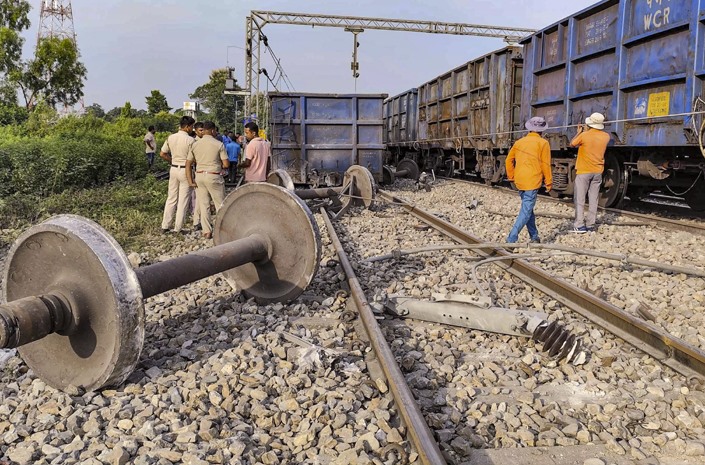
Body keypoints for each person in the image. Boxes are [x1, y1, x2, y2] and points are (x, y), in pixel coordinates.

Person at [505, 116, 553, 244]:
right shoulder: (543, 143)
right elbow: (545, 164)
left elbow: (508, 160)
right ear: (541, 131)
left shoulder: (519, 142)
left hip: (520, 180)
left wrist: (511, 176)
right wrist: (548, 182)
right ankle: (511, 238)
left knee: (528, 209)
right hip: (532, 181)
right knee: (526, 211)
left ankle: (534, 236)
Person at [186, 121, 229, 239]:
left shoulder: (195, 145)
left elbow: (188, 163)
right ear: (213, 130)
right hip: (213, 175)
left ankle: (207, 231)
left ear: (203, 130)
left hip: (199, 176)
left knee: (204, 204)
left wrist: (190, 181)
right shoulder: (218, 144)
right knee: (220, 203)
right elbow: (226, 164)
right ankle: (222, 229)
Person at [570, 112, 610, 233]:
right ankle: (591, 225)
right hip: (597, 171)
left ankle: (579, 225)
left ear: (589, 124)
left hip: (584, 171)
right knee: (593, 199)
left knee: (580, 199)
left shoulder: (584, 136)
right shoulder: (606, 136)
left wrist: (579, 132)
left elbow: (571, 144)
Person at [159, 116, 195, 234]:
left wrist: (172, 161)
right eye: (191, 126)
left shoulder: (171, 137)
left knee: (171, 198)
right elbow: (194, 158)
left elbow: (162, 154)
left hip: (173, 169)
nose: (192, 129)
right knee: (183, 199)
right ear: (187, 127)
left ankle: (165, 225)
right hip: (186, 170)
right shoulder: (191, 141)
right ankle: (178, 228)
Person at [190, 122, 205, 230]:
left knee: (200, 199)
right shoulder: (194, 142)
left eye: (203, 130)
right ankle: (197, 221)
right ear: (195, 130)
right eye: (200, 130)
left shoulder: (203, 141)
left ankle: (197, 221)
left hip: (200, 172)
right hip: (196, 172)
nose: (202, 132)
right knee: (198, 198)